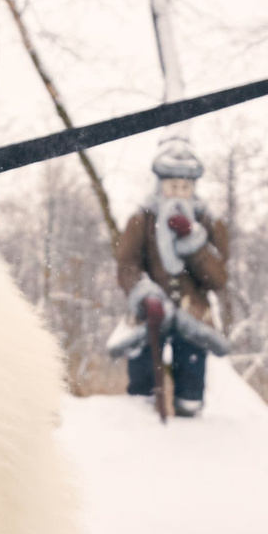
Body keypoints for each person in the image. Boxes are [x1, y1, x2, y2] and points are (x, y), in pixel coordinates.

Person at [113, 139, 230, 418]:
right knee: (142, 385)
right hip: (150, 314)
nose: (179, 193)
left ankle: (189, 425)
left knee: (191, 388)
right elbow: (127, 265)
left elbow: (218, 278)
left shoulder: (209, 223)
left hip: (194, 315)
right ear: (160, 185)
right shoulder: (142, 219)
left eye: (185, 187)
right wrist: (145, 295)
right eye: (172, 186)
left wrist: (193, 242)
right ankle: (143, 426)